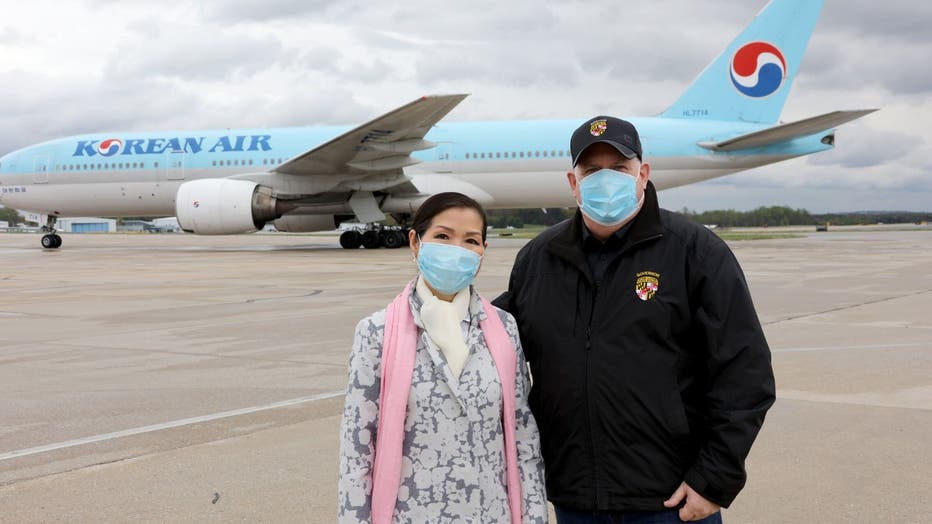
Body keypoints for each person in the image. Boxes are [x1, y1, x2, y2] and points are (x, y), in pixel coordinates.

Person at [493, 116, 776, 523]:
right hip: (575, 499)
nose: (605, 179)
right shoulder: (538, 260)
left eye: (620, 168)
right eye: (591, 170)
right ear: (573, 183)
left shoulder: (695, 252)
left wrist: (714, 479)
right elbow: (491, 341)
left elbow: (745, 374)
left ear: (642, 174)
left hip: (670, 501)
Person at [338, 192, 548, 523]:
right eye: (442, 236)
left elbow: (524, 437)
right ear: (415, 242)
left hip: (491, 514)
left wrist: (534, 516)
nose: (456, 249)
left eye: (471, 241)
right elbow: (357, 451)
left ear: (482, 252)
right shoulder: (375, 332)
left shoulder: (504, 329)